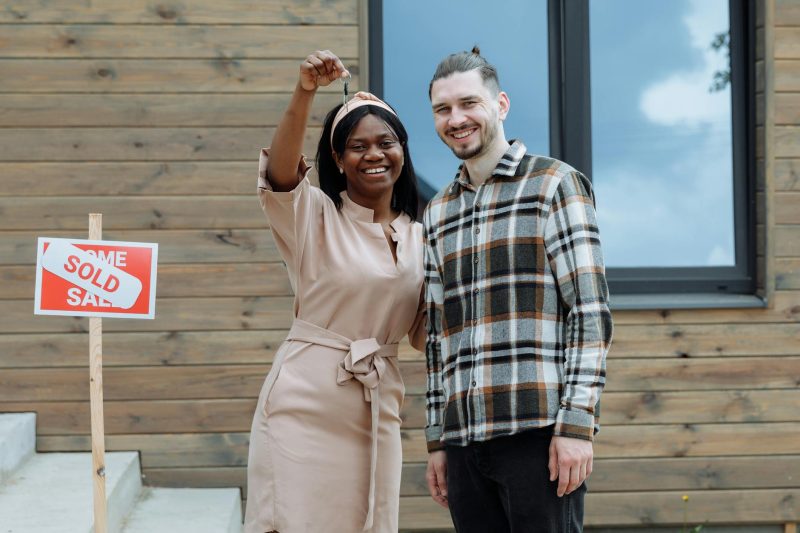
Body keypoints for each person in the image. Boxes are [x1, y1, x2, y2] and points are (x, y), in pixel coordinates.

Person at [421, 46, 613, 532]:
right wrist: (437, 440)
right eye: (443, 110)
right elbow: (438, 339)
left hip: (539, 437)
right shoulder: (438, 212)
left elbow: (589, 314)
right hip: (465, 445)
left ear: (501, 105)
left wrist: (576, 427)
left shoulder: (554, 185)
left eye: (469, 104)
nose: (456, 119)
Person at [245, 49, 427, 533]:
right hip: (303, 406)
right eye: (357, 146)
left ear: (403, 149)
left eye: (385, 142)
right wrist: (305, 91)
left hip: (378, 404)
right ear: (337, 158)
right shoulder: (314, 217)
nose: (373, 154)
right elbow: (281, 175)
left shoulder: (423, 235)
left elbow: (427, 332)